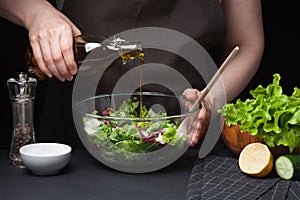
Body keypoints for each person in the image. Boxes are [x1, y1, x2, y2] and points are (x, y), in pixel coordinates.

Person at [0, 0, 264, 148]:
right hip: (72, 136)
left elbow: (247, 42)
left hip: (182, 138)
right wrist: (38, 12)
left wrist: (208, 101)